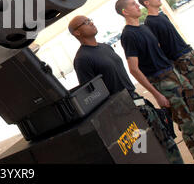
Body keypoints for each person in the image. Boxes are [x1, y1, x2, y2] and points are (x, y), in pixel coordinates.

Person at [69, 15, 183, 163]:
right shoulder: (82, 59)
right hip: (121, 112)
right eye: (86, 22)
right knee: (148, 153)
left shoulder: (105, 47)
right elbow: (92, 95)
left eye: (90, 19)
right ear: (77, 33)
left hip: (136, 101)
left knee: (168, 143)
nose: (91, 23)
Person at [115, 0, 194, 164]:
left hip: (175, 77)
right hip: (162, 83)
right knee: (190, 128)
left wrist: (180, 76)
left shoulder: (145, 28)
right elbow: (133, 69)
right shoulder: (128, 35)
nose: (138, 6)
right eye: (133, 4)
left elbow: (160, 53)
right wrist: (157, 94)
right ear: (125, 12)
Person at [138, 0, 194, 134]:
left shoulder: (163, 16)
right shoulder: (150, 23)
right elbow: (159, 48)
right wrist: (177, 72)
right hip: (182, 61)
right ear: (147, 3)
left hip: (190, 54)